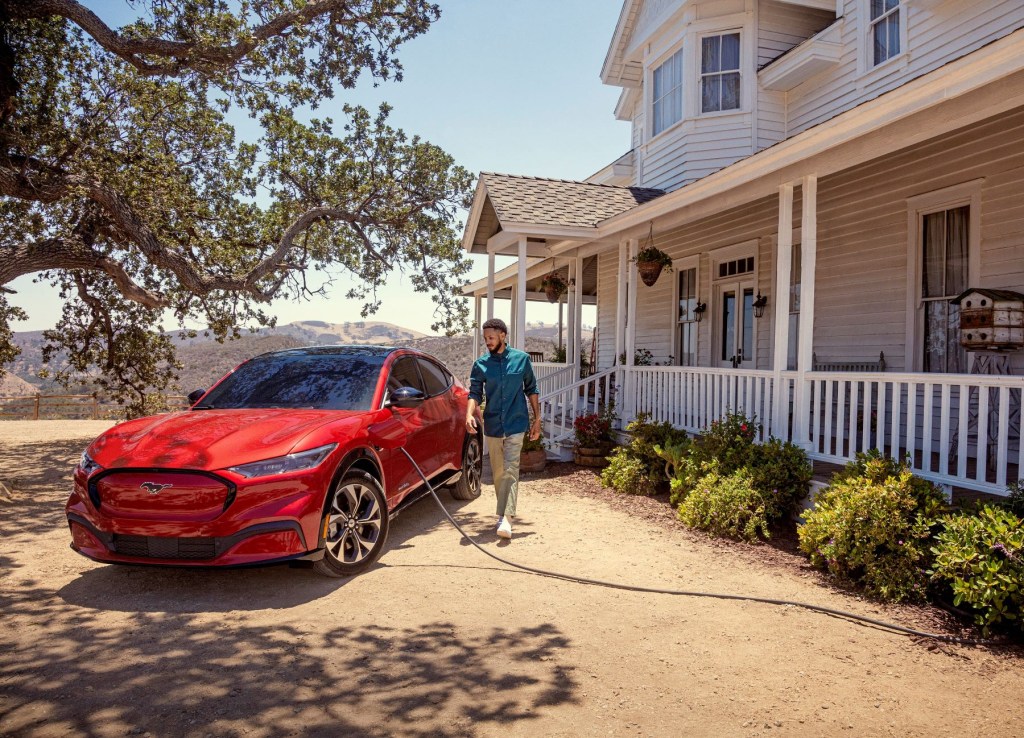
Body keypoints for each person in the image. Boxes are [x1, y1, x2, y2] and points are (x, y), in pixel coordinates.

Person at [465, 318, 541, 539]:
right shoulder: (481, 365)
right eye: (485, 338)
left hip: (517, 423)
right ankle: (505, 513)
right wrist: (469, 413)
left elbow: (532, 389)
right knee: (498, 472)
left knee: (510, 469)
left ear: (502, 336)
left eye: (491, 337)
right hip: (494, 425)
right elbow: (475, 393)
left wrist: (537, 419)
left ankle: (506, 518)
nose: (487, 342)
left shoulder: (522, 360)